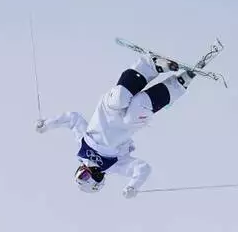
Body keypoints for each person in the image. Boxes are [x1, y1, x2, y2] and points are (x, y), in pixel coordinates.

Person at [35, 46, 215, 198]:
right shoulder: (115, 167)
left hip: (107, 112)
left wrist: (47, 125)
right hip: (127, 124)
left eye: (80, 174)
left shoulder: (82, 148)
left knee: (120, 98)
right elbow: (142, 168)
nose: (84, 172)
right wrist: (134, 186)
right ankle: (178, 84)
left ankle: (150, 64)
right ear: (96, 181)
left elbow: (72, 119)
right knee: (139, 106)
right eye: (85, 177)